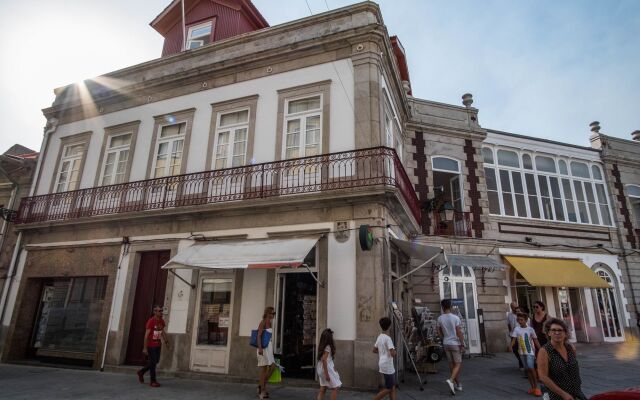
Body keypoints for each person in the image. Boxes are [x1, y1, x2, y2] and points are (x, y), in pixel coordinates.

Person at [537, 318, 587, 400]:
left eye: (560, 330)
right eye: (553, 330)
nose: (557, 333)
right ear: (549, 333)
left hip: (576, 392)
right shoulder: (544, 351)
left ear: (565, 333)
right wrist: (563, 394)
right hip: (556, 395)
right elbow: (543, 377)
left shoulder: (570, 348)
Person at [437, 299, 465, 395]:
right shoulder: (455, 318)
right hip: (455, 343)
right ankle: (451, 380)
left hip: (446, 343)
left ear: (442, 307)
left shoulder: (440, 318)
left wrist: (443, 338)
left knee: (452, 365)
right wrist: (462, 343)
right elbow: (459, 332)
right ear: (451, 306)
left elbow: (439, 332)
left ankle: (458, 384)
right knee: (458, 364)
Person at [137, 305, 170, 387]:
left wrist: (166, 342)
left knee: (155, 361)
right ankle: (153, 381)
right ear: (154, 312)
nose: (161, 312)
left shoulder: (161, 321)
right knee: (153, 363)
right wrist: (145, 348)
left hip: (158, 344)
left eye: (161, 310)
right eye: (159, 311)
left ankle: (141, 372)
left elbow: (162, 332)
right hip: (151, 345)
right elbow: (146, 335)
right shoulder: (151, 321)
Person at [509, 313, 542, 396]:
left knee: (531, 367)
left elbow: (535, 340)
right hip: (521, 352)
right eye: (518, 320)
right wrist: (510, 346)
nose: (520, 321)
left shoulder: (530, 329)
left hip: (530, 351)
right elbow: (513, 339)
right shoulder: (517, 329)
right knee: (527, 369)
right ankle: (532, 387)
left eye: (521, 320)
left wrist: (541, 349)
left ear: (526, 320)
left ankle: (537, 387)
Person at [373, 317, 396, 400]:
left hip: (382, 363)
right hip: (388, 365)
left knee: (392, 386)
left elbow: (374, 350)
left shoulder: (380, 337)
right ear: (389, 326)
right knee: (389, 388)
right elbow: (393, 353)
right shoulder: (388, 338)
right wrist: (393, 351)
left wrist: (383, 351)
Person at [257, 306, 277, 400]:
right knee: (264, 370)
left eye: (274, 313)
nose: (274, 315)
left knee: (273, 366)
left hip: (268, 348)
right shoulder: (263, 322)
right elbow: (259, 336)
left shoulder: (270, 322)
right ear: (268, 313)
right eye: (273, 313)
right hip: (263, 348)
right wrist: (260, 348)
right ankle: (262, 391)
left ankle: (262, 385)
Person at [316, 328, 341, 400]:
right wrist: (327, 375)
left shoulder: (322, 345)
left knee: (323, 388)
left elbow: (326, 359)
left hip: (321, 368)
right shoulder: (328, 346)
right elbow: (324, 360)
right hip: (326, 369)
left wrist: (333, 367)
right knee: (335, 387)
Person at [508, 302, 524, 370]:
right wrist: (510, 332)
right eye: (512, 307)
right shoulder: (509, 315)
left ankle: (522, 364)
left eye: (514, 307)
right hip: (513, 334)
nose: (513, 308)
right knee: (515, 350)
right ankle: (521, 361)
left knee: (521, 350)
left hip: (520, 335)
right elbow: (508, 324)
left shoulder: (522, 315)